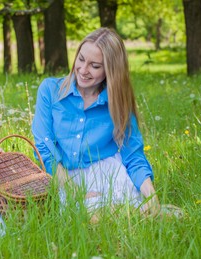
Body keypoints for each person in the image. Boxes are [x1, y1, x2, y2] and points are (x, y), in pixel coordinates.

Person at [32, 27, 160, 219]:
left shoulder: (118, 102)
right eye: (81, 59)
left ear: (110, 70)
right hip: (64, 176)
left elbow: (133, 154)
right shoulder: (50, 90)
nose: (83, 70)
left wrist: (152, 197)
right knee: (91, 218)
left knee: (135, 212)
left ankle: (153, 212)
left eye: (95, 66)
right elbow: (43, 146)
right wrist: (75, 191)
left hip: (107, 172)